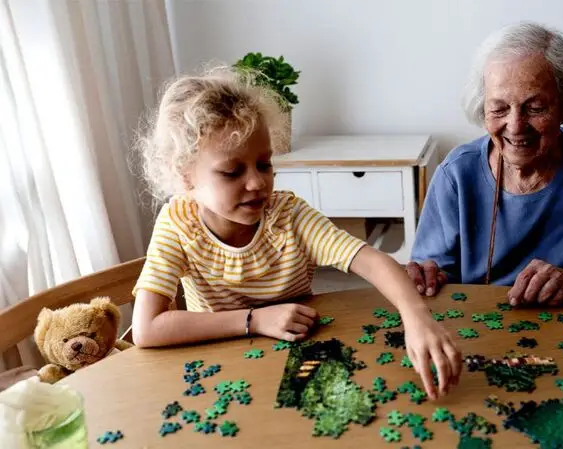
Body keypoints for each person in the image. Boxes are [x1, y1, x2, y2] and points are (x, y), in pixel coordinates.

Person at [130, 67, 460, 399]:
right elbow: (147, 328)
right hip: (221, 370)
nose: (257, 183)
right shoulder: (177, 223)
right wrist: (254, 320)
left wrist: (417, 318)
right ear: (185, 176)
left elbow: (372, 261)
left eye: (264, 164)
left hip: (305, 355)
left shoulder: (289, 215)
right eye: (232, 171)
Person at [407, 22, 563, 306]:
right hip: (480, 333)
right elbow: (434, 276)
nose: (516, 126)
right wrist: (428, 277)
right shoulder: (457, 173)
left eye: (535, 108)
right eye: (499, 108)